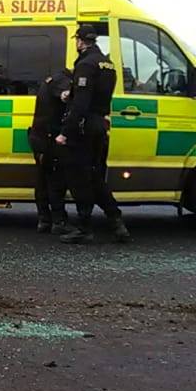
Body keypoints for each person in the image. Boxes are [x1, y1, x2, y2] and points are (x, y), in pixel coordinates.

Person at [56, 22, 131, 243]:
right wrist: (72, 94)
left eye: (77, 41)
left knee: (78, 178)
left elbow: (81, 103)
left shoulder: (86, 64)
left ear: (80, 42)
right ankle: (117, 222)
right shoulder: (108, 64)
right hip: (100, 125)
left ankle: (84, 229)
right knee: (96, 178)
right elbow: (97, 94)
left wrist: (65, 133)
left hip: (83, 128)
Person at [28, 68, 71, 233]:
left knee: (42, 180)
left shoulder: (52, 79)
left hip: (39, 137)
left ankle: (44, 219)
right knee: (55, 181)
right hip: (49, 139)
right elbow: (65, 95)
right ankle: (58, 221)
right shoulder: (63, 81)